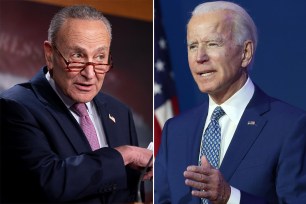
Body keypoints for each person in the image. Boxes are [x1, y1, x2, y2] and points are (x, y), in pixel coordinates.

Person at [154, 1, 306, 203]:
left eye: (212, 44)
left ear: (246, 53)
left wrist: (229, 197)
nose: (200, 57)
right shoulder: (175, 130)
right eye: (192, 46)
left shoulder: (290, 126)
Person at [0, 5, 152, 203]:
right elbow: (49, 183)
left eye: (99, 57)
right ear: (49, 54)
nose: (90, 74)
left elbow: (131, 193)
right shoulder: (15, 107)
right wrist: (123, 154)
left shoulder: (119, 112)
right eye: (78, 56)